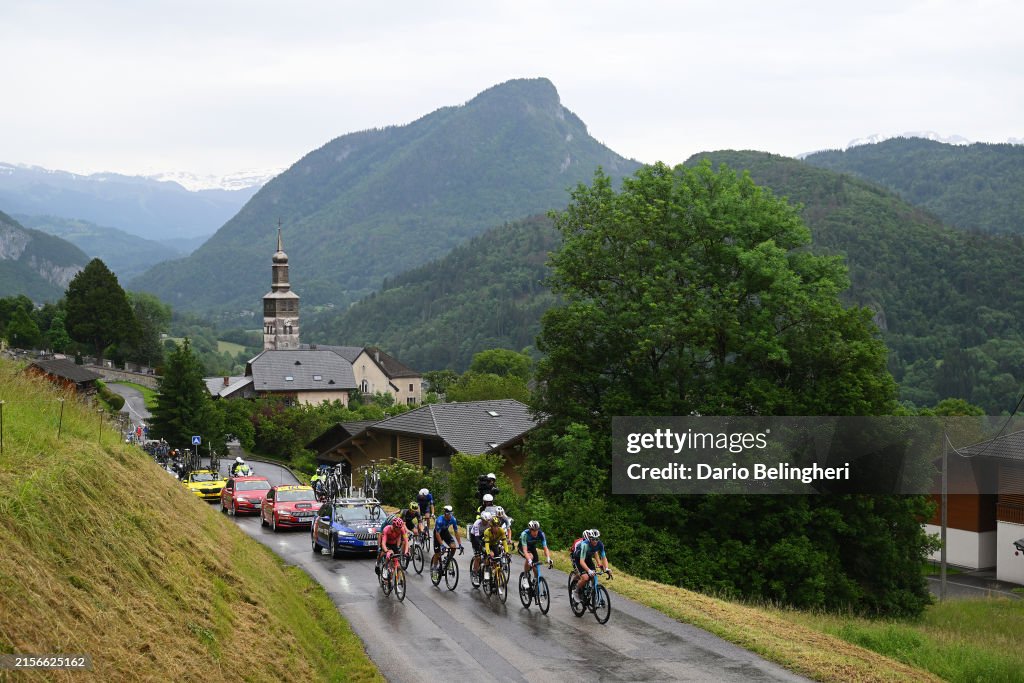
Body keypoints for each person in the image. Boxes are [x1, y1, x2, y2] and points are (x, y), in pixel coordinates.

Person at [571, 529, 611, 604]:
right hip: (579, 558)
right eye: (593, 539)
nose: (595, 541)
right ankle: (576, 591)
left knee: (594, 576)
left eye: (597, 539)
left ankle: (591, 593)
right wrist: (589, 571)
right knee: (585, 577)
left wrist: (607, 568)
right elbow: (582, 562)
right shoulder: (584, 544)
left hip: (588, 558)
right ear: (589, 538)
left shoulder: (600, 544)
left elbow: (604, 557)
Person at [518, 520, 553, 585]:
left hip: (532, 547)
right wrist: (529, 560)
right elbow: (525, 551)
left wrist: (548, 558)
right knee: (530, 557)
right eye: (533, 530)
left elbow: (545, 548)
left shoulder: (541, 534)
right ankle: (525, 577)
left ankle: (534, 583)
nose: (535, 532)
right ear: (530, 530)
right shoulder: (524, 534)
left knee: (536, 567)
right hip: (522, 547)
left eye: (537, 530)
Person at [482, 515, 508, 580]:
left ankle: (495, 575)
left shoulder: (501, 531)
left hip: (494, 545)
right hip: (485, 544)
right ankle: (487, 570)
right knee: (490, 556)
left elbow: (504, 542)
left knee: (498, 560)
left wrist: (507, 552)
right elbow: (487, 545)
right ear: (491, 526)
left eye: (497, 526)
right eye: (494, 526)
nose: (496, 528)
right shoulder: (487, 532)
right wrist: (488, 553)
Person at [468, 511, 492, 581]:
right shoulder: (477, 523)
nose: (486, 522)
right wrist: (481, 546)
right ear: (481, 519)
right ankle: (475, 573)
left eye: (487, 521)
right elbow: (476, 538)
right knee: (478, 556)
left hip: (483, 536)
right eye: (484, 521)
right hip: (474, 536)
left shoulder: (489, 523)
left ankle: (485, 569)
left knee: (487, 555)